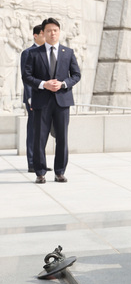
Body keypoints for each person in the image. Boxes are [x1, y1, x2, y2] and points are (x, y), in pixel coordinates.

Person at [22, 18, 81, 184]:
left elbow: (76, 75)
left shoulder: (68, 52)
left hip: (62, 101)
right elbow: (26, 76)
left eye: (55, 30)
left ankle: (60, 172)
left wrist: (63, 84)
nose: (52, 33)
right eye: (48, 31)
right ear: (43, 33)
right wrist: (43, 84)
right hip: (41, 101)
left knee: (62, 138)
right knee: (39, 138)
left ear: (59, 32)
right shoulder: (34, 53)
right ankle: (40, 172)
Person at [20, 24, 45, 173]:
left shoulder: (47, 52)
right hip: (33, 99)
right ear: (35, 35)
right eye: (43, 33)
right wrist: (30, 98)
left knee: (43, 131)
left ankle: (40, 162)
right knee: (33, 130)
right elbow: (26, 77)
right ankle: (31, 162)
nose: (46, 36)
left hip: (46, 98)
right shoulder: (27, 53)